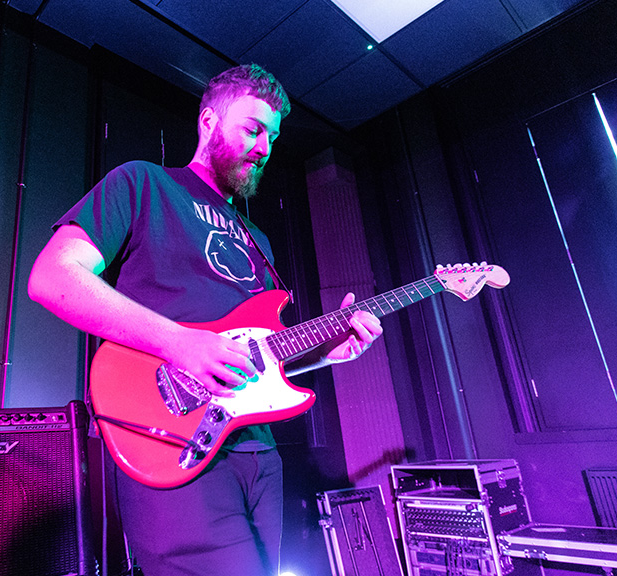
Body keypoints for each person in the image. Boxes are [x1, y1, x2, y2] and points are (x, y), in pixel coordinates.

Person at [28, 64, 382, 576]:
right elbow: (52, 277)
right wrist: (181, 344)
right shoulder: (143, 183)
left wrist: (330, 350)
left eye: (274, 136)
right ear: (209, 121)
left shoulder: (258, 240)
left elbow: (256, 355)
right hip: (174, 440)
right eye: (253, 128)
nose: (264, 147)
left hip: (259, 453)